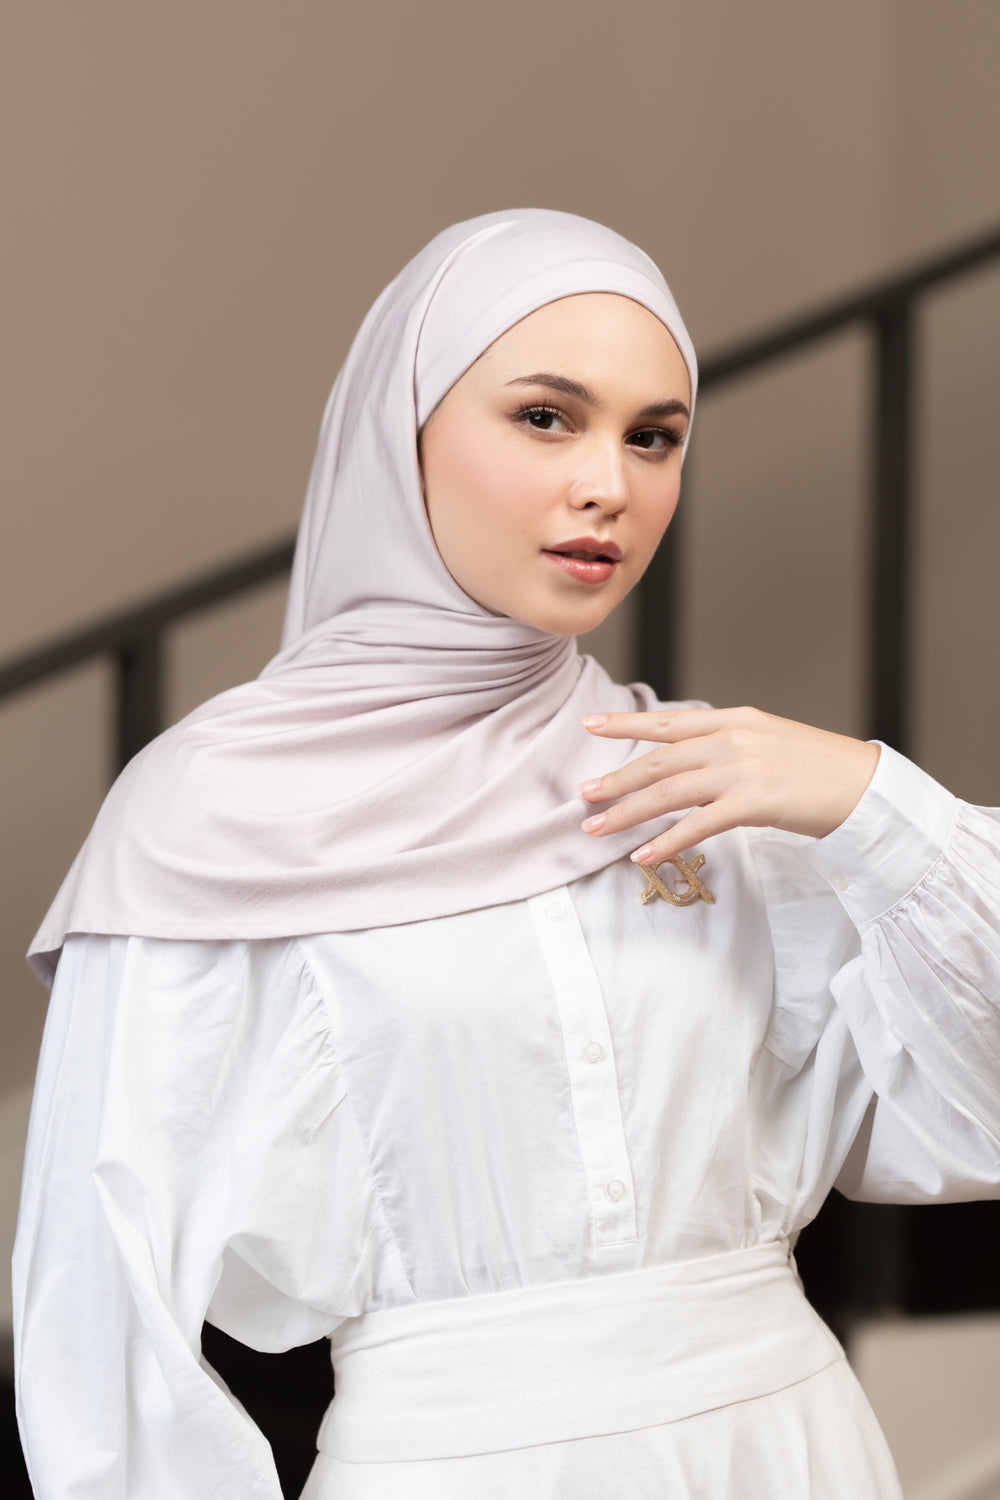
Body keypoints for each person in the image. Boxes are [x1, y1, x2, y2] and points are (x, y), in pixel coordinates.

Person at [12, 208, 1000, 1500]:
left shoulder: (709, 778)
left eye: (654, 437)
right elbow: (100, 1314)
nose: (610, 485)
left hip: (790, 1450)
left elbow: (974, 1119)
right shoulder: (211, 814)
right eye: (546, 418)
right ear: (401, 433)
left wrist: (876, 804)